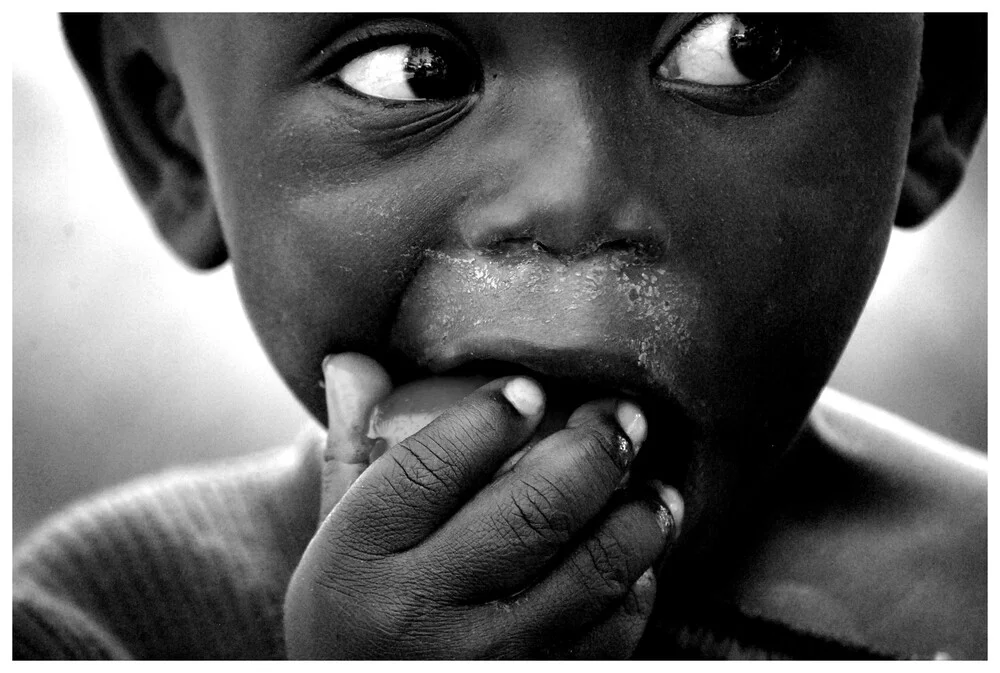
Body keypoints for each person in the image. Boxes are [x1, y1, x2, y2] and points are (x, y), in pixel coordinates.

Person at [13, 13, 986, 660]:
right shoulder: (102, 623)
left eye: (736, 48)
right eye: (414, 70)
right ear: (170, 129)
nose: (572, 194)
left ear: (930, 99)